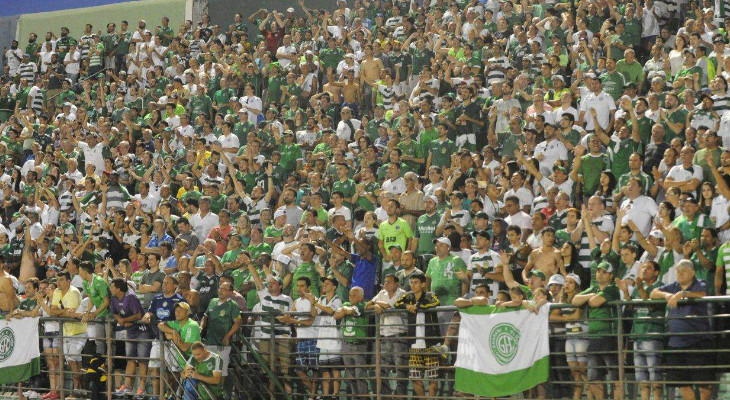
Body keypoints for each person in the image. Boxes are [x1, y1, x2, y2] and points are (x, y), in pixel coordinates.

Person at [651, 260, 712, 400]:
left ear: (692, 273)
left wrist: (682, 294)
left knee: (704, 383)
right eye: (678, 271)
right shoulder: (673, 286)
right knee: (681, 382)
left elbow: (702, 294)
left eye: (684, 271)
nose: (680, 274)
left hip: (698, 341)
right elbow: (653, 293)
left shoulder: (699, 284)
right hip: (676, 343)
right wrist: (666, 295)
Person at [571, 262, 622, 400]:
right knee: (593, 378)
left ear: (611, 276)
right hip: (594, 339)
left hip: (610, 338)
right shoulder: (594, 288)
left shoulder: (612, 289)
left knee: (615, 378)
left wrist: (589, 298)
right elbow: (575, 300)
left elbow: (595, 302)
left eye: (604, 272)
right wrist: (591, 295)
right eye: (599, 271)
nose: (600, 273)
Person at [394, 273, 440, 398]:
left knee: (433, 377)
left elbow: (435, 303)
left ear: (423, 284)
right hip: (414, 344)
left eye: (416, 282)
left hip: (431, 344)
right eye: (411, 282)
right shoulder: (408, 297)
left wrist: (417, 306)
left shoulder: (431, 295)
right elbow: (397, 304)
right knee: (415, 378)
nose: (412, 285)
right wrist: (408, 306)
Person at [366, 273, 408, 397]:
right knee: (381, 370)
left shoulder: (403, 293)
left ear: (396, 283)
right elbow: (367, 305)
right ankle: (386, 396)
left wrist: (377, 304)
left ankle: (400, 397)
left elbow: (390, 306)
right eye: (385, 282)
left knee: (401, 370)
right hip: (384, 336)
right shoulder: (382, 293)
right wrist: (376, 305)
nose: (386, 284)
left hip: (399, 336)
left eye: (389, 282)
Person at [109, 277, 150, 398]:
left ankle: (141, 388)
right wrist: (120, 320)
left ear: (118, 289)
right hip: (130, 330)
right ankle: (127, 385)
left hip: (142, 331)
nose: (110, 289)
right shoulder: (114, 298)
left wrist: (124, 320)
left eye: (112, 287)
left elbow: (138, 315)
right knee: (130, 358)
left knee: (142, 360)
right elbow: (113, 313)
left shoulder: (131, 297)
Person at [200, 280, 241, 380]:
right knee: (208, 368)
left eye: (224, 289)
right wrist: (201, 326)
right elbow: (205, 316)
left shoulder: (233, 305)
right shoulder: (213, 301)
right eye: (220, 288)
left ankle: (221, 393)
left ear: (230, 292)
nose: (221, 291)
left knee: (221, 370)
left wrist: (228, 336)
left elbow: (237, 323)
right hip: (209, 340)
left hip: (222, 342)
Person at [333, 286, 369, 397]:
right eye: (350, 295)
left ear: (361, 297)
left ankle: (363, 397)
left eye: (354, 295)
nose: (351, 297)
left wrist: (345, 310)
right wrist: (344, 310)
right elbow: (336, 315)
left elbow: (352, 311)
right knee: (351, 376)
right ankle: (355, 396)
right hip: (347, 344)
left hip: (359, 344)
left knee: (360, 375)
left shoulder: (364, 305)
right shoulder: (346, 305)